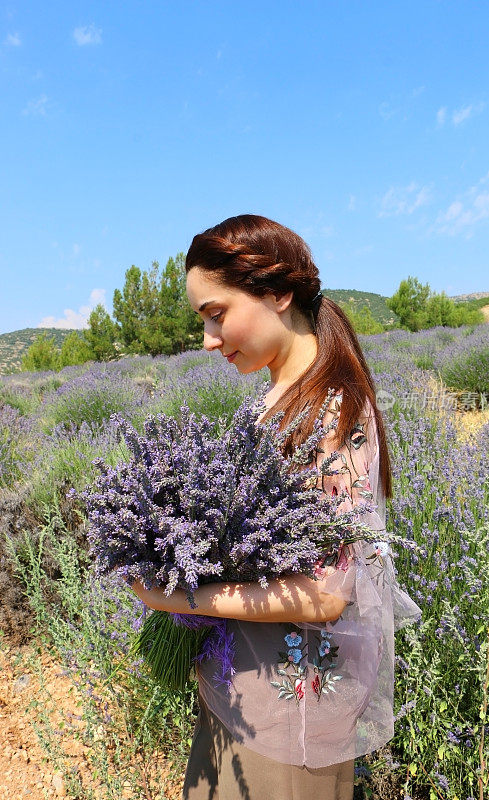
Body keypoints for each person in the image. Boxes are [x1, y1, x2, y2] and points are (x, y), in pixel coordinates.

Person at [128, 214, 422, 800]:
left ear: (279, 293)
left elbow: (328, 592)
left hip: (289, 726)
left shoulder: (332, 412)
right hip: (245, 695)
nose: (208, 339)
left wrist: (178, 594)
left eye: (217, 314)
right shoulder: (275, 400)